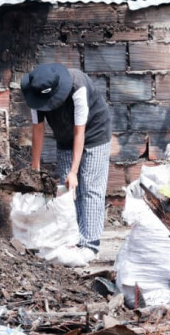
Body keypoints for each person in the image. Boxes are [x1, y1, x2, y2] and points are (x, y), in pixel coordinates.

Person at [21, 63, 111, 256]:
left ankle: (90, 244)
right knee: (67, 189)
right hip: (64, 136)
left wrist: (74, 171)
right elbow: (38, 129)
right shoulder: (33, 92)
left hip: (95, 132)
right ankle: (74, 238)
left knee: (89, 186)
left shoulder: (78, 87)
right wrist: (35, 166)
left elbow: (80, 132)